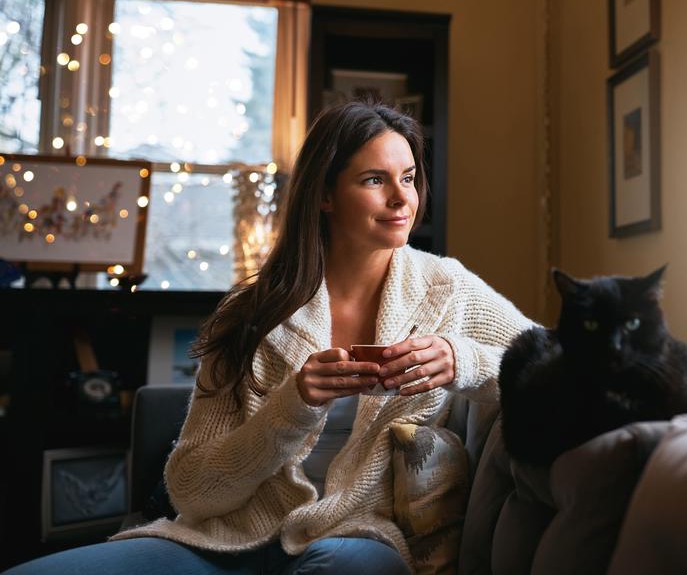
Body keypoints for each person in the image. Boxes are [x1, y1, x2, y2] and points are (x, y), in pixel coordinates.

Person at [5, 101, 534, 575]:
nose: (403, 198)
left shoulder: (446, 289)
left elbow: (548, 359)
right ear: (325, 195)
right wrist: (293, 406)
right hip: (226, 540)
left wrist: (461, 359)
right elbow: (190, 488)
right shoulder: (251, 312)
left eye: (410, 177)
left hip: (358, 539)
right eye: (375, 179)